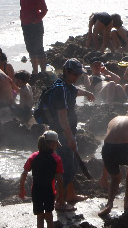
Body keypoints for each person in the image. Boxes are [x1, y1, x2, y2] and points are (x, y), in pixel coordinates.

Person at [37, 58, 94, 208]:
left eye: (79, 75)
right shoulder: (60, 89)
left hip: (67, 132)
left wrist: (87, 93)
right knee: (65, 168)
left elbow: (76, 91)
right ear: (66, 72)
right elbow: (62, 117)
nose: (77, 77)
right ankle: (59, 201)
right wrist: (70, 138)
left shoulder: (67, 86)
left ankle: (71, 194)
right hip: (61, 133)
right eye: (74, 74)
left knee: (71, 165)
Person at [18, 131, 64, 228]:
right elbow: (60, 179)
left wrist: (22, 188)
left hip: (36, 190)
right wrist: (60, 194)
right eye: (56, 144)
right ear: (52, 144)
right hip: (49, 191)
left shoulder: (33, 157)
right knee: (49, 217)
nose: (56, 147)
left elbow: (24, 173)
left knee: (39, 217)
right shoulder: (56, 159)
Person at [19, 0, 49, 75]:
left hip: (36, 25)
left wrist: (37, 20)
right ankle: (35, 71)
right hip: (25, 25)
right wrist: (21, 18)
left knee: (39, 48)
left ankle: (43, 71)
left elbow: (44, 10)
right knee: (30, 49)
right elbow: (22, 7)